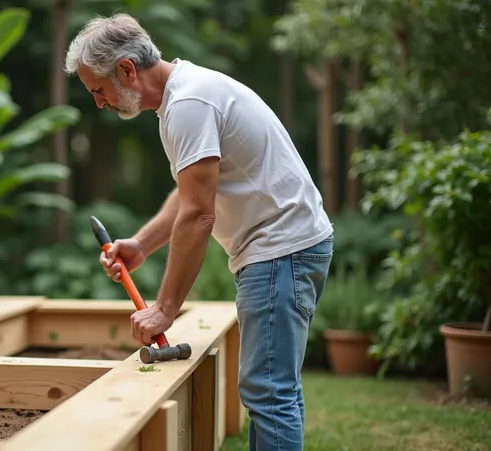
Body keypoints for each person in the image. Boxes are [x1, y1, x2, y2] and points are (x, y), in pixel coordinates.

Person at [63, 12, 334, 451]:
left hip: (279, 250)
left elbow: (198, 215)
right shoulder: (183, 96)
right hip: (290, 245)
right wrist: (141, 245)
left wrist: (165, 309)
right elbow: (190, 194)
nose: (99, 103)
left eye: (99, 90)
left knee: (269, 393)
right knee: (278, 389)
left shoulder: (189, 104)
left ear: (127, 69)